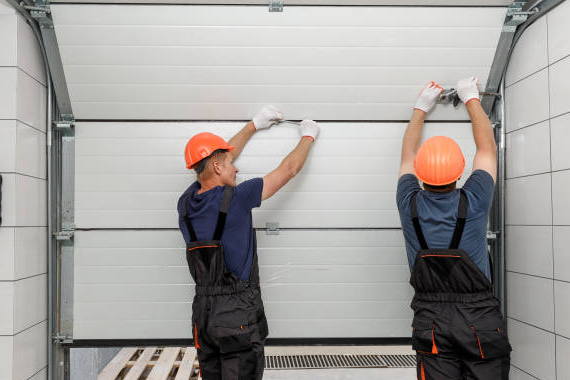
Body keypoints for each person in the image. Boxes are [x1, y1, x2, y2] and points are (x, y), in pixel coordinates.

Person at [177, 105, 320, 380]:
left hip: (203, 315)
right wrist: (308, 136)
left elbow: (215, 161)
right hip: (236, 315)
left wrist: (253, 125)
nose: (236, 166)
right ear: (218, 167)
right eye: (230, 164)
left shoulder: (186, 203)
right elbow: (289, 169)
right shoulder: (237, 198)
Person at [396, 78, 511, 380]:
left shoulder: (408, 203)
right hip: (479, 318)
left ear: (420, 174)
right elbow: (487, 148)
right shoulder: (474, 199)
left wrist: (421, 107)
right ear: (460, 172)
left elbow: (407, 155)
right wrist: (471, 97)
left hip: (430, 319)